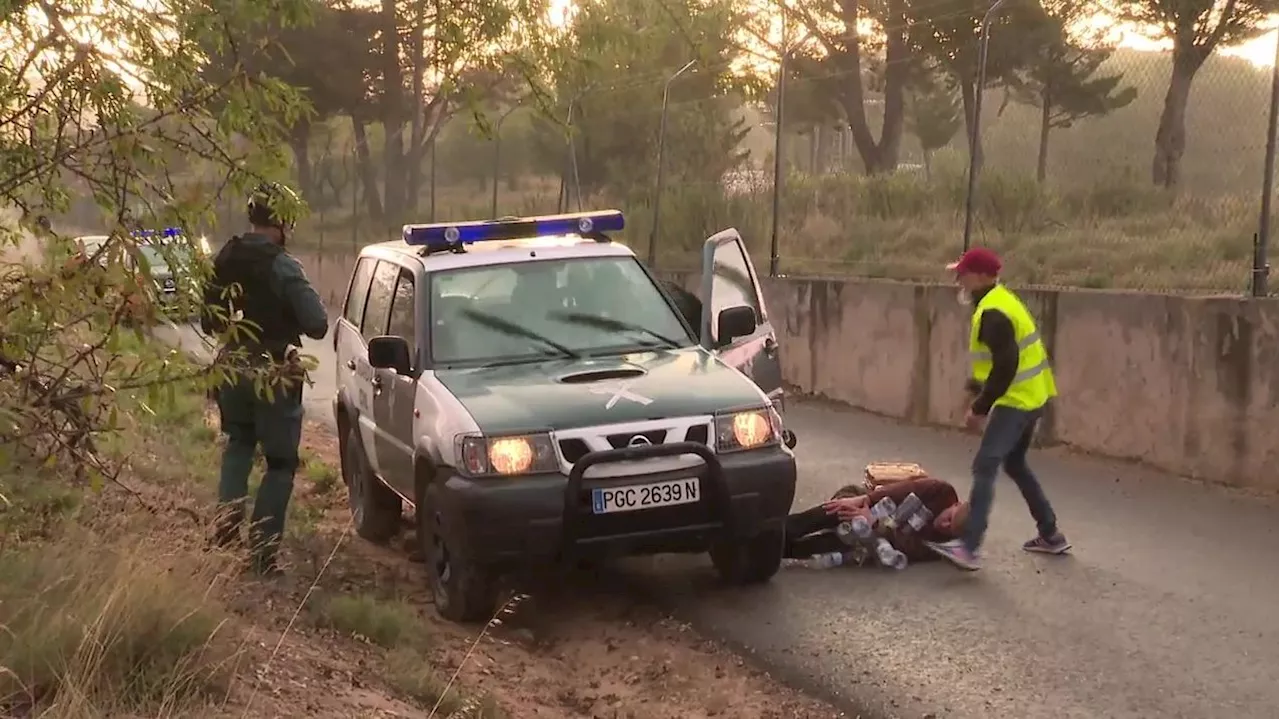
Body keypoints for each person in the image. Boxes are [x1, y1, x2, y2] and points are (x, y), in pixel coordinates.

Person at [201, 182, 329, 576]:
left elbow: (208, 320)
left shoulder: (225, 256)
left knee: (238, 442)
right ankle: (261, 558)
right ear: (282, 222)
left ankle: (225, 526)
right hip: (273, 371)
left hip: (231, 366)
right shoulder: (283, 265)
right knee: (279, 463)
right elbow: (318, 325)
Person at [924, 247, 1069, 571]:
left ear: (979, 276)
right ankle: (1050, 534)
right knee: (1014, 463)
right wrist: (974, 391)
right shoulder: (999, 301)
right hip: (1034, 396)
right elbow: (995, 365)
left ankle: (969, 547)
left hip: (1015, 400)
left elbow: (1005, 365)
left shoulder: (992, 312)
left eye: (962, 273)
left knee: (985, 465)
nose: (958, 279)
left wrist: (979, 408)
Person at [785, 476, 970, 563]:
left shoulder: (943, 544)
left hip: (877, 537)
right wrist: (865, 500)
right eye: (948, 518)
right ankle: (779, 530)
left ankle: (778, 551)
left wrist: (873, 524)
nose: (943, 525)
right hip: (868, 501)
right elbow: (902, 489)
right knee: (839, 509)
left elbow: (908, 546)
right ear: (956, 504)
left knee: (846, 542)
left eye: (948, 528)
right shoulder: (941, 491)